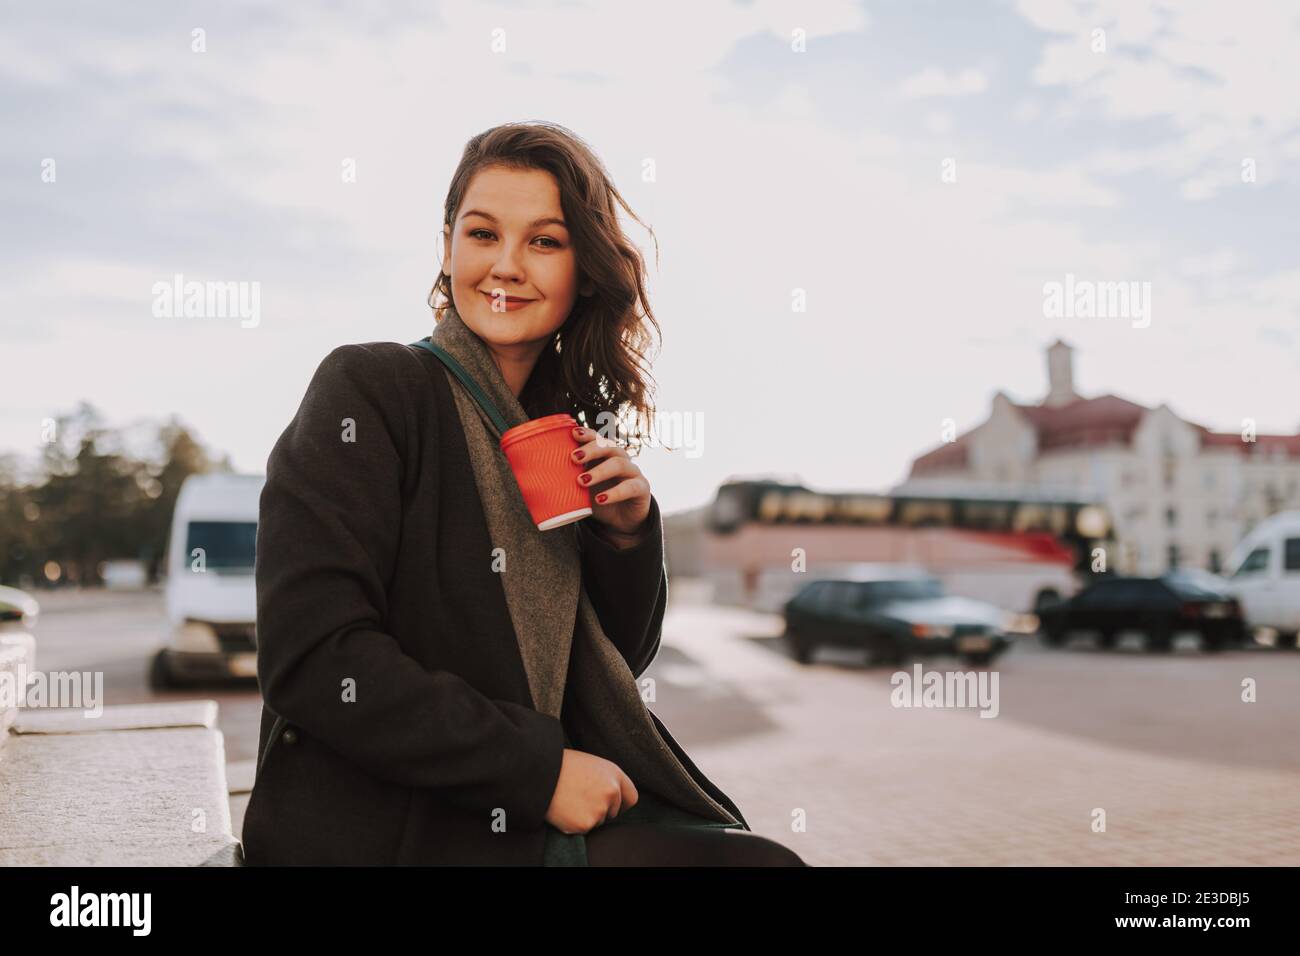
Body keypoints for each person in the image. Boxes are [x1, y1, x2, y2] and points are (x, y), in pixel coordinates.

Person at [241, 121, 805, 867]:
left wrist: (626, 537)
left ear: (585, 268)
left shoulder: (555, 432)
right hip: (387, 827)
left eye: (544, 241)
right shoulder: (372, 388)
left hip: (505, 819)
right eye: (482, 234)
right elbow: (316, 658)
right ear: (447, 247)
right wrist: (537, 773)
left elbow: (609, 668)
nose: (506, 266)